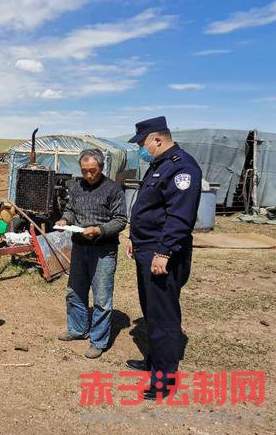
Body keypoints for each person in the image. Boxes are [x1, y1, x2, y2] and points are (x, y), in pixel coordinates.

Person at [125, 116, 202, 400]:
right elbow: (149, 209)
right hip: (147, 247)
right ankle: (154, 362)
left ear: (157, 139)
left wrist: (163, 251)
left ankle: (164, 380)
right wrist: (134, 238)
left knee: (164, 315)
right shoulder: (159, 165)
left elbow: (179, 216)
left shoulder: (182, 167)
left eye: (143, 144)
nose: (141, 150)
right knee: (152, 311)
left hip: (162, 253)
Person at [56, 149, 127, 359]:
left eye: (93, 171)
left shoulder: (113, 189)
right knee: (75, 291)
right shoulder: (76, 186)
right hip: (79, 247)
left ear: (101, 167)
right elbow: (71, 210)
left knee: (102, 298)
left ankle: (98, 340)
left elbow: (120, 220)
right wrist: (65, 220)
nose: (88, 175)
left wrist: (99, 230)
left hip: (103, 250)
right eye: (84, 170)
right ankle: (77, 329)